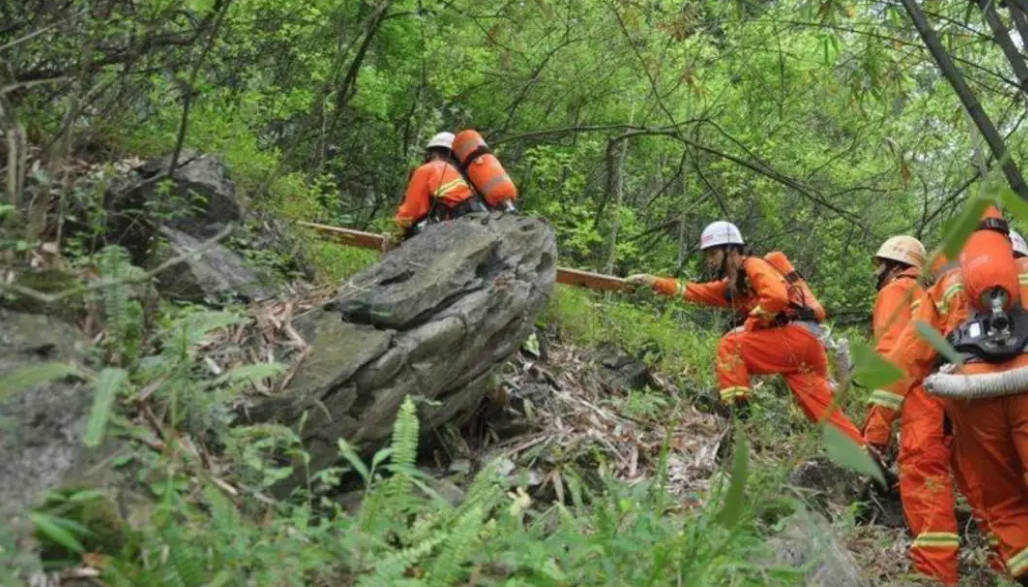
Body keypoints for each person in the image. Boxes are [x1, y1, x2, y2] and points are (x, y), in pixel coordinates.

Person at [873, 208, 1028, 585]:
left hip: (972, 400)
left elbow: (906, 356)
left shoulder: (943, 285)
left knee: (1003, 503)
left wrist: (876, 427)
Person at [625, 220, 865, 445]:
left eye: (713, 253)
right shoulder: (734, 285)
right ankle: (869, 459)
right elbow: (693, 291)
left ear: (730, 250)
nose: (709, 260)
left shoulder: (754, 265)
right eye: (708, 255)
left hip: (797, 339)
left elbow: (777, 297)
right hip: (805, 349)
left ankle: (740, 417)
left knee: (732, 344)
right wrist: (653, 281)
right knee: (822, 412)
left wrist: (750, 324)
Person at [863, 236, 961, 585]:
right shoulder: (930, 293)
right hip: (963, 389)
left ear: (894, 265)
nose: (878, 273)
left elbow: (895, 352)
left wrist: (877, 422)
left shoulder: (896, 291)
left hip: (926, 392)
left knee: (924, 472)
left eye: (881, 265)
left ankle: (937, 573)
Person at [387, 131, 486, 249]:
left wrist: (394, 237)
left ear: (432, 154)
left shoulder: (427, 169)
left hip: (449, 230)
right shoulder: (465, 177)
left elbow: (410, 211)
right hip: (477, 225)